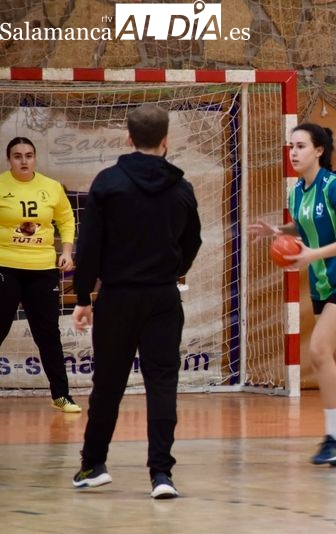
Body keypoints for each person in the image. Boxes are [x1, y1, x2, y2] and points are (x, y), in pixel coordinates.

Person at [70, 104, 202, 499]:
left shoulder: (108, 183)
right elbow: (192, 242)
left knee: (107, 384)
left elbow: (89, 245)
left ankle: (93, 464)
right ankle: (161, 475)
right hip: (163, 298)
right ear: (166, 139)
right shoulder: (181, 188)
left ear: (128, 137)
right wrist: (172, 270)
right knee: (163, 384)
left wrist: (82, 298)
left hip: (117, 298)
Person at [248, 123, 336, 466]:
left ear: (319, 150)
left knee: (319, 351)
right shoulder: (297, 192)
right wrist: (278, 230)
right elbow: (305, 227)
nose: (293, 152)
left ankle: (335, 438)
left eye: (301, 146)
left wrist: (312, 256)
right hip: (323, 284)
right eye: (290, 146)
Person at [0, 137, 80, 413]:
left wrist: (67, 251)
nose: (23, 160)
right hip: (5, 267)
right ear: (9, 159)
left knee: (48, 334)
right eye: (17, 156)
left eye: (29, 155)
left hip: (43, 270)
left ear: (35, 158)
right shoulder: (0, 185)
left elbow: (67, 220)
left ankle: (61, 396)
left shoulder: (51, 187)